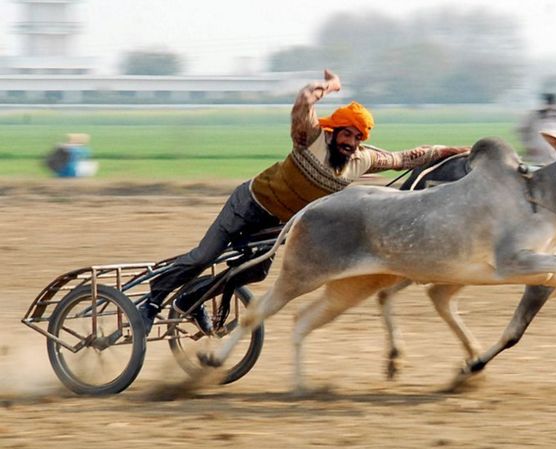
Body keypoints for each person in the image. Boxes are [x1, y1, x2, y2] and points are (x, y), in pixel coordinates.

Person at [138, 69, 469, 334]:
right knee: (204, 255)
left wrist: (460, 151)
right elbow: (302, 102)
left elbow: (411, 156)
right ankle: (151, 303)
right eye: (347, 134)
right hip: (248, 205)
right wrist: (329, 86)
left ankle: (188, 300)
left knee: (253, 273)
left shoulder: (362, 160)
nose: (351, 143)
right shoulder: (310, 138)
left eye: (358, 137)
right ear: (333, 131)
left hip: (278, 223)